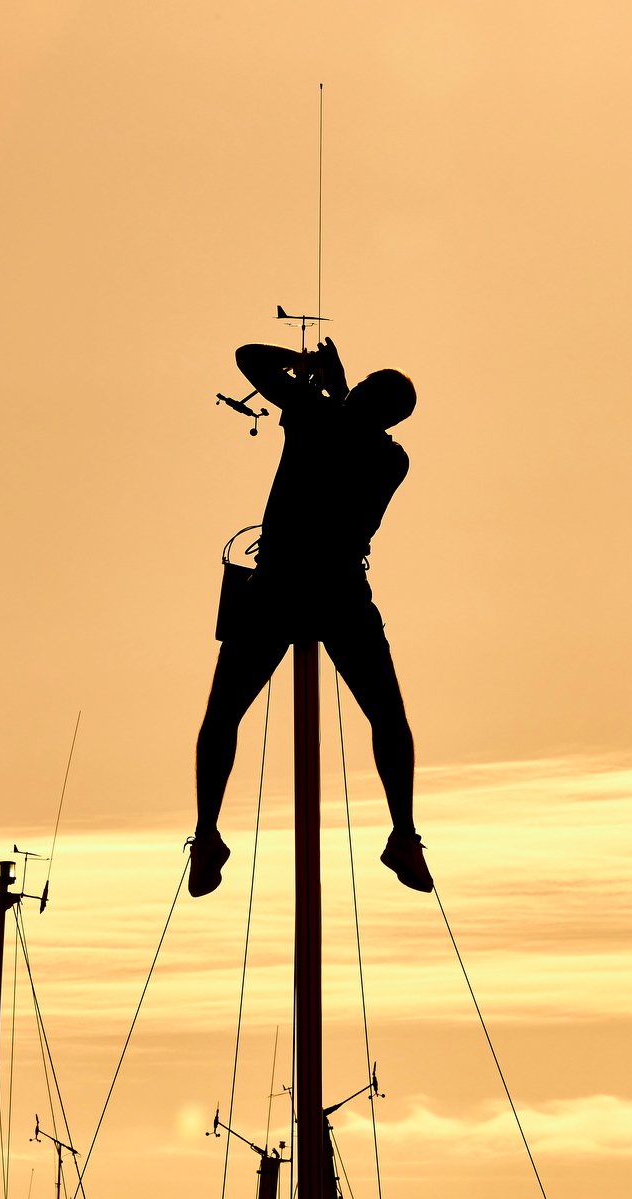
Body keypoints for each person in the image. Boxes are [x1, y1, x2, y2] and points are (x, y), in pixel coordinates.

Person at [189, 337, 433, 899]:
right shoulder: (391, 459)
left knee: (222, 715)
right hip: (341, 589)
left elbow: (247, 357)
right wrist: (339, 386)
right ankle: (403, 834)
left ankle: (206, 836)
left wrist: (307, 369)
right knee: (388, 718)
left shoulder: (313, 413)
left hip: (278, 586)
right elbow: (356, 430)